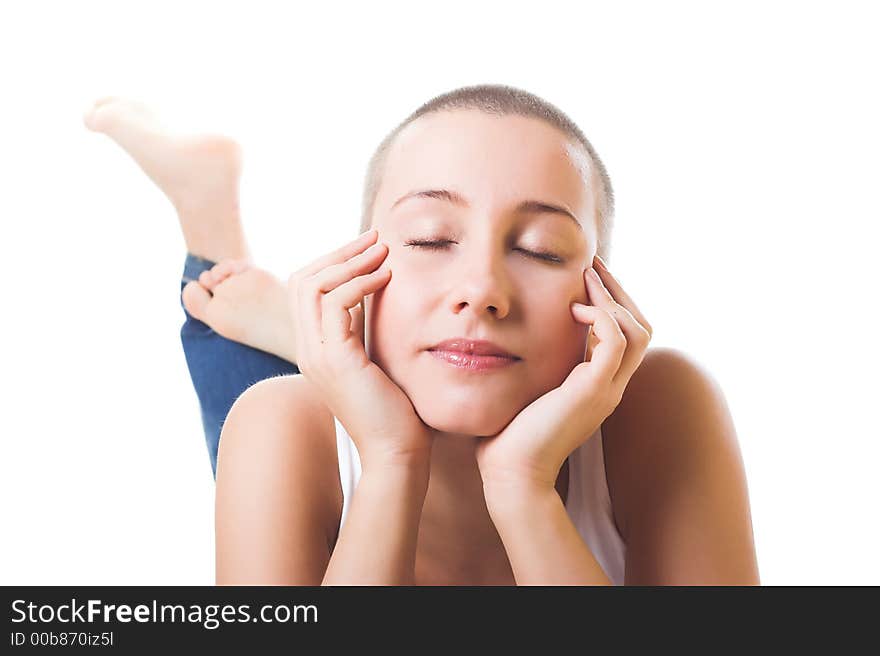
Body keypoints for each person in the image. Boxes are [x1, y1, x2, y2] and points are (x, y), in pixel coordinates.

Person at [84, 84, 760, 586]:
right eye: (432, 237)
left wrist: (524, 487)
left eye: (543, 249)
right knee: (257, 415)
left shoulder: (664, 406)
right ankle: (241, 256)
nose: (483, 289)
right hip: (320, 431)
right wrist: (387, 460)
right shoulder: (281, 422)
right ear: (360, 269)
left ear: (601, 292)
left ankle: (309, 331)